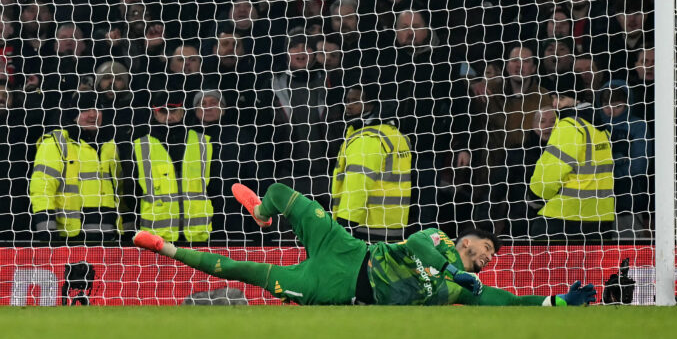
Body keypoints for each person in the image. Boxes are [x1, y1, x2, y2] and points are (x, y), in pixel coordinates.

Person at [134, 182, 595, 306]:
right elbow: (421, 248)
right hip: (349, 250)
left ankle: (166, 248)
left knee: (243, 271)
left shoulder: (463, 289)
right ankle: (261, 216)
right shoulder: (438, 240)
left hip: (335, 288)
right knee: (279, 194)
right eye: (488, 247)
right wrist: (455, 271)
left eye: (494, 255)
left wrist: (556, 301)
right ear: (467, 241)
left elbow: (503, 300)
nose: (491, 256)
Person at [123, 94, 215, 244]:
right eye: (163, 111)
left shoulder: (204, 142)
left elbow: (215, 190)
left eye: (173, 111)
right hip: (156, 238)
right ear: (154, 113)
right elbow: (130, 193)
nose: (169, 116)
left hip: (199, 236)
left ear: (183, 111)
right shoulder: (139, 146)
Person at [30, 97, 120, 242]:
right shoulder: (56, 143)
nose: (93, 114)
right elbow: (42, 188)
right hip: (69, 237)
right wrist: (47, 230)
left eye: (97, 108)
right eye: (85, 109)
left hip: (108, 236)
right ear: (73, 115)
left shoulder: (111, 146)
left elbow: (121, 191)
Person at [527, 105, 616, 240]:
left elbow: (549, 178)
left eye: (560, 97)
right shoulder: (600, 130)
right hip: (601, 217)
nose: (554, 101)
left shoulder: (569, 126)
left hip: (565, 217)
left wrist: (535, 195)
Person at [329, 108, 412, 241]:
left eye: (356, 101)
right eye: (348, 100)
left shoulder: (367, 139)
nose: (348, 106)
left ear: (372, 105)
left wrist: (344, 227)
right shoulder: (397, 136)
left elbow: (357, 187)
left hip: (365, 228)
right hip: (395, 228)